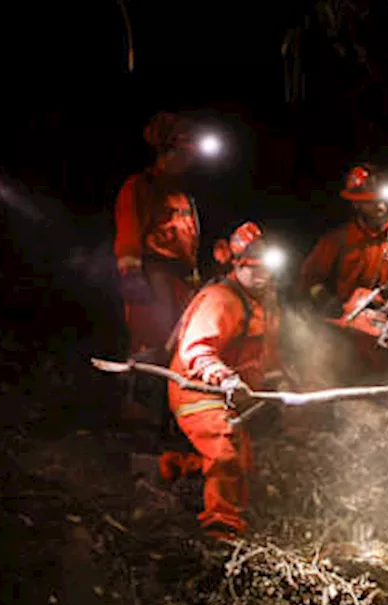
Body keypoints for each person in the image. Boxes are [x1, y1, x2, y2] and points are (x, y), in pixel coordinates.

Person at [167, 222, 284, 540]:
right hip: (195, 387)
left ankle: (170, 468)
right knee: (224, 449)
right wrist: (225, 379)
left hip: (231, 392)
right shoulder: (221, 299)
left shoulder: (262, 304)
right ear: (235, 265)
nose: (261, 276)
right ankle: (221, 530)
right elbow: (195, 349)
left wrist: (277, 383)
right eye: (252, 269)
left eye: (266, 270)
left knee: (241, 461)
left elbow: (264, 354)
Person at [299, 164, 388, 385]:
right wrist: (324, 298)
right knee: (350, 399)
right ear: (356, 203)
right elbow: (309, 277)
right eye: (372, 201)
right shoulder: (339, 240)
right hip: (350, 337)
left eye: (382, 198)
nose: (381, 205)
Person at [114, 112, 203, 422]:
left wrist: (194, 279)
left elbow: (190, 241)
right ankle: (138, 418)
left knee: (178, 346)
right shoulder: (139, 187)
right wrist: (131, 273)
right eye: (185, 152)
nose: (189, 160)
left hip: (180, 280)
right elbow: (128, 229)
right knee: (149, 345)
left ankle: (170, 417)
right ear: (168, 150)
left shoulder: (182, 195)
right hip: (152, 277)